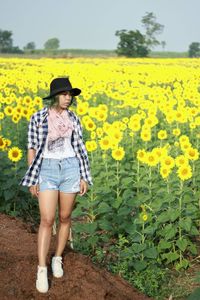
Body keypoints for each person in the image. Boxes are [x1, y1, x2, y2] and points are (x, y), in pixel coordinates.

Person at [20, 77, 93, 293]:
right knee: (46, 219)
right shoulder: (38, 118)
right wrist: (33, 179)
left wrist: (83, 176)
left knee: (65, 217)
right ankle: (42, 268)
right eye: (64, 94)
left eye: (70, 95)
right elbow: (32, 148)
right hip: (47, 169)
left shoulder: (74, 119)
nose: (68, 98)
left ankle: (58, 258)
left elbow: (80, 148)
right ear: (54, 96)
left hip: (71, 168)